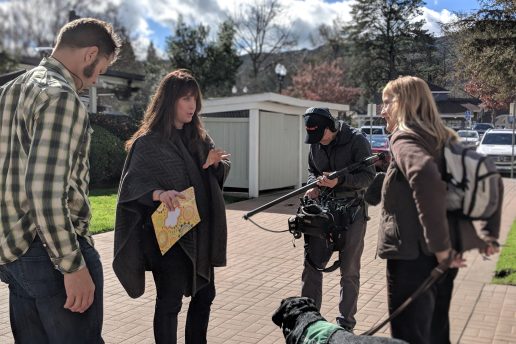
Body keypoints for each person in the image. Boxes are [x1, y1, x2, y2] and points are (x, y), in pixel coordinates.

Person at [0, 18, 120, 343]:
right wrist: (72, 265)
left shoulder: (8, 92)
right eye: (101, 70)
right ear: (90, 54)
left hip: (13, 254)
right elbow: (44, 190)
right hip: (53, 255)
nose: (96, 81)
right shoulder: (61, 96)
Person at [377, 76, 500, 344]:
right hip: (443, 256)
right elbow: (485, 177)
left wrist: (440, 247)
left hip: (415, 256)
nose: (382, 110)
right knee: (436, 332)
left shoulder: (403, 138)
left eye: (386, 103)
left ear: (404, 104)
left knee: (410, 337)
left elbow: (424, 176)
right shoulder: (442, 139)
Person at [113, 69, 231, 344]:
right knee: (170, 302)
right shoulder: (148, 143)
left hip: (199, 231)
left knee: (205, 294)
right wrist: (156, 193)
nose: (193, 106)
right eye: (185, 99)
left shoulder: (199, 138)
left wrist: (215, 164)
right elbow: (132, 185)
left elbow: (218, 170)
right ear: (170, 101)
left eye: (195, 99)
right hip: (167, 235)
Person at [301, 107, 375, 332]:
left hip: (352, 213)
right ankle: (309, 322)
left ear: (331, 127)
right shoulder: (315, 143)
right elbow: (312, 170)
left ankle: (345, 326)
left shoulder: (356, 140)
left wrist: (340, 181)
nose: (318, 142)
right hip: (324, 212)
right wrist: (314, 185)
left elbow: (368, 177)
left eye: (320, 136)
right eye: (313, 138)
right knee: (312, 266)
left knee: (349, 271)